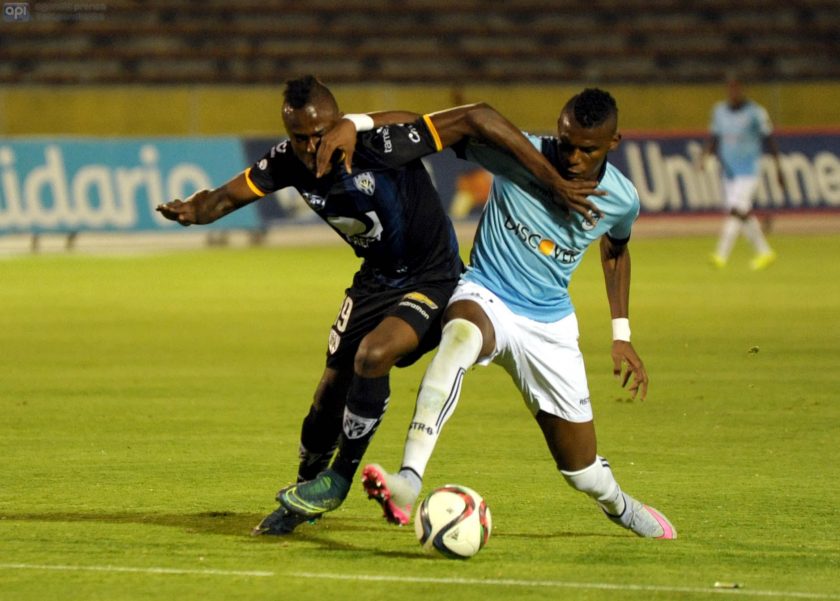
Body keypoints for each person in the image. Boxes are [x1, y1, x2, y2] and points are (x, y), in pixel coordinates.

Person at [156, 75, 600, 536]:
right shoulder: (290, 162)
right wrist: (193, 210)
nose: (312, 145)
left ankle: (341, 478)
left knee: (374, 354)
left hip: (434, 276)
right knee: (325, 403)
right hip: (375, 282)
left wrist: (552, 181)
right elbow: (228, 197)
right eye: (300, 137)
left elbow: (476, 116)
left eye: (321, 132)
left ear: (338, 120)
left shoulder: (380, 145)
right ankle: (305, 493)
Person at [319, 88, 677, 539]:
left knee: (580, 470)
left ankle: (619, 504)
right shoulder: (520, 153)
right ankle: (409, 478)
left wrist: (621, 333)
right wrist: (357, 121)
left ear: (613, 143)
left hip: (549, 326)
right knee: (460, 336)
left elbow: (617, 249)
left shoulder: (621, 199)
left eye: (587, 149)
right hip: (486, 292)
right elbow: (430, 124)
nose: (573, 156)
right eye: (566, 142)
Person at [703, 76, 784, 270]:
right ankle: (765, 252)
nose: (733, 93)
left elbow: (769, 140)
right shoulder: (719, 111)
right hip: (729, 172)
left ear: (741, 90)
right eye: (730, 89)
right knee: (741, 212)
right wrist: (704, 157)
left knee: (737, 211)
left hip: (749, 170)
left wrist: (778, 168)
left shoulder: (756, 113)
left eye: (736, 89)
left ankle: (720, 255)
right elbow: (715, 138)